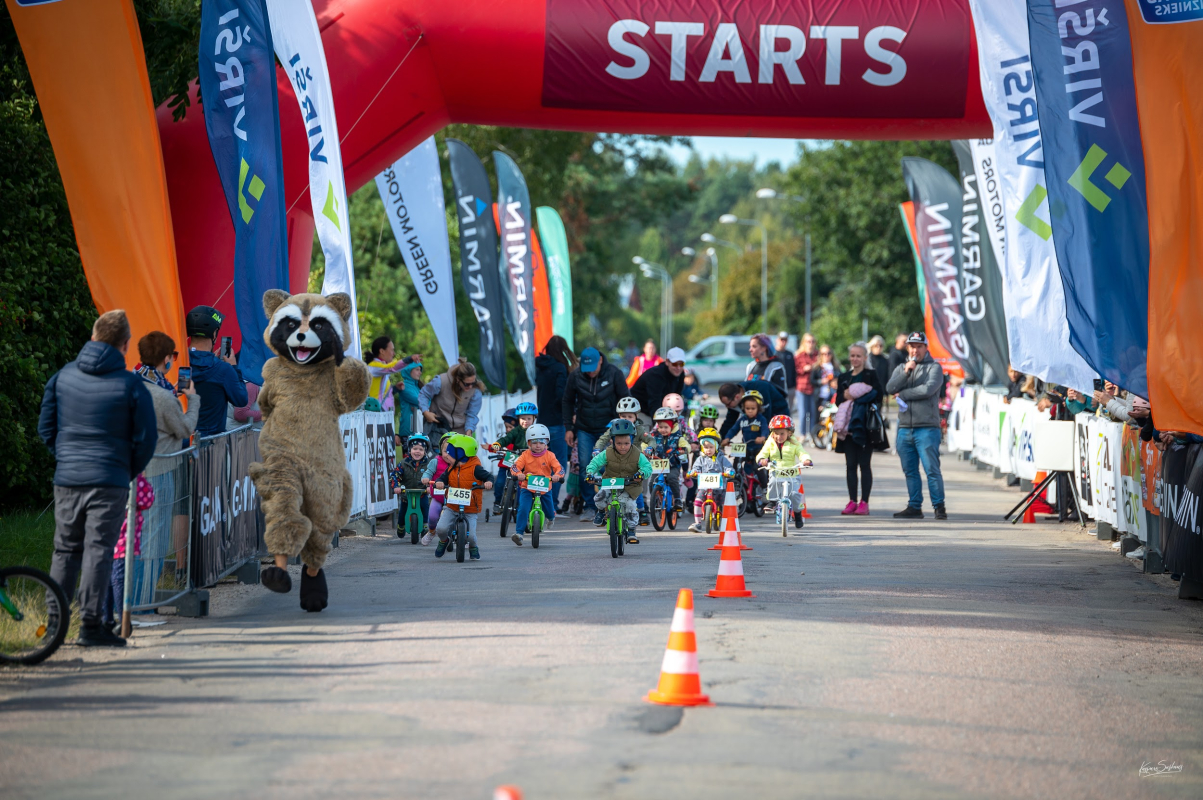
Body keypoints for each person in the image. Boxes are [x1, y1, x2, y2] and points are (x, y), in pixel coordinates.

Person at [38, 309, 158, 647]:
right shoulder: (131, 384)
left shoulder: (62, 377)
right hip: (110, 478)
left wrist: (66, 458)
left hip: (68, 478)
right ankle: (90, 626)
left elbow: (46, 428)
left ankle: (54, 624)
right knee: (97, 551)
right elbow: (146, 438)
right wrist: (126, 469)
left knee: (64, 550)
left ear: (93, 337)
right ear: (125, 344)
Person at [563, 346, 630, 517]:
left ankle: (614, 503)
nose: (590, 372)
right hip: (584, 428)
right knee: (586, 466)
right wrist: (569, 428)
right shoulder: (576, 376)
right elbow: (567, 401)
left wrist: (622, 428)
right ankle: (590, 507)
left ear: (600, 360)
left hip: (609, 428)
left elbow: (625, 399)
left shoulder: (614, 373)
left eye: (593, 368)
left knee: (612, 466)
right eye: (587, 369)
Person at [886, 332, 946, 520]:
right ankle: (914, 506)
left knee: (931, 469)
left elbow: (928, 389)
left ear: (925, 348)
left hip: (927, 427)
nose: (915, 350)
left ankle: (939, 506)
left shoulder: (934, 368)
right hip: (905, 427)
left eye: (919, 346)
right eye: (911, 346)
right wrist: (906, 372)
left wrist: (903, 394)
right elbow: (889, 389)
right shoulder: (902, 368)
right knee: (909, 470)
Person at [834, 342, 886, 516]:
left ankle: (864, 502)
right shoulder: (844, 377)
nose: (855, 359)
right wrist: (846, 395)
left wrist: (859, 397)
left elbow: (879, 394)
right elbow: (838, 400)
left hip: (865, 427)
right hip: (848, 427)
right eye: (852, 356)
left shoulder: (870, 375)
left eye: (858, 356)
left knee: (864, 464)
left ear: (865, 357)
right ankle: (852, 501)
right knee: (850, 465)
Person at [185, 305, 248, 437]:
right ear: (214, 333)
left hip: (181, 442)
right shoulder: (223, 369)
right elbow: (241, 399)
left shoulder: (178, 361)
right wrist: (233, 367)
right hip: (210, 446)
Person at [586, 419, 652, 544]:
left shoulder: (637, 454)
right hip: (609, 482)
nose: (623, 446)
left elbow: (647, 467)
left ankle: (632, 529)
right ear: (612, 441)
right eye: (619, 443)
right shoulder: (607, 453)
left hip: (630, 485)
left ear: (632, 440)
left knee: (631, 507)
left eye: (626, 443)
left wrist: (641, 474)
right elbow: (595, 463)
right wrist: (590, 473)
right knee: (599, 497)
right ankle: (601, 512)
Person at [431, 434, 493, 560]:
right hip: (452, 506)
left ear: (461, 454)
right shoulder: (451, 468)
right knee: (440, 529)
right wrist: (439, 482)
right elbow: (442, 478)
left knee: (470, 536)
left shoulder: (475, 468)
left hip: (470, 508)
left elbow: (488, 476)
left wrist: (488, 482)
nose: (446, 456)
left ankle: (473, 546)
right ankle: (444, 541)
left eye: (450, 453)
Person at [535, 335, 574, 508]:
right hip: (557, 422)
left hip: (542, 421)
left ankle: (540, 501)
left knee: (540, 465)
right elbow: (560, 395)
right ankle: (552, 504)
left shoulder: (540, 366)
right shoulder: (560, 368)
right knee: (557, 465)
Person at [509, 424, 564, 546]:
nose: (538, 445)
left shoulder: (550, 455)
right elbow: (515, 466)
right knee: (523, 508)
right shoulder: (525, 455)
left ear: (547, 443)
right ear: (528, 443)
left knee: (550, 511)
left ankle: (551, 517)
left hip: (545, 487)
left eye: (541, 442)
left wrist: (557, 476)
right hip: (527, 487)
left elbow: (559, 468)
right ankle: (519, 534)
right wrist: (518, 474)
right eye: (534, 442)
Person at [757, 414, 813, 513]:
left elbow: (801, 452)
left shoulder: (794, 443)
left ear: (789, 433)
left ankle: (798, 513)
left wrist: (806, 460)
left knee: (795, 495)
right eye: (776, 433)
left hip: (792, 474)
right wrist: (762, 460)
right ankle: (772, 502)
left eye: (782, 433)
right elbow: (763, 453)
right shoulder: (770, 442)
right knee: (772, 483)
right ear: (772, 433)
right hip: (776, 472)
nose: (779, 437)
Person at [490, 401, 537, 515]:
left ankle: (533, 505)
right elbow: (507, 438)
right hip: (516, 459)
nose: (525, 421)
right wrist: (498, 444)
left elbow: (543, 441)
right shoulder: (516, 431)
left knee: (529, 484)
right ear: (518, 419)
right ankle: (499, 502)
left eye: (528, 418)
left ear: (534, 419)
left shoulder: (536, 431)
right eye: (522, 418)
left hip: (530, 461)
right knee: (500, 482)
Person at [687, 428, 735, 532]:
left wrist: (729, 472)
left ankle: (727, 522)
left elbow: (728, 467)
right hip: (704, 486)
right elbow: (696, 468)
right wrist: (693, 472)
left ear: (716, 447)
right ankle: (698, 523)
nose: (708, 450)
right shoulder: (700, 459)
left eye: (711, 447)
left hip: (719, 487)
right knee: (698, 501)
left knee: (724, 503)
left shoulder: (721, 458)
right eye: (705, 447)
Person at [419, 357, 483, 436]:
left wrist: (469, 429)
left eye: (473, 383)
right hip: (437, 427)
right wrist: (426, 412)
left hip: (460, 431)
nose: (470, 387)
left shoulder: (475, 391)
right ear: (458, 379)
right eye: (467, 384)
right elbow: (424, 394)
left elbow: (472, 414)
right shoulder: (440, 382)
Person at [724, 390, 770, 497]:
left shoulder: (761, 419)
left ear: (758, 408)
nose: (750, 411)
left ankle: (764, 486)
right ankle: (736, 480)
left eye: (753, 409)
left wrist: (762, 437)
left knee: (758, 467)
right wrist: (727, 438)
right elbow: (733, 429)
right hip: (745, 447)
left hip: (758, 449)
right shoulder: (742, 419)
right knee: (737, 461)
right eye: (747, 408)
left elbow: (765, 430)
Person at [648, 406, 689, 514]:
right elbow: (645, 443)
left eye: (666, 427)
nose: (663, 430)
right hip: (658, 464)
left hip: (673, 464)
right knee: (652, 482)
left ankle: (678, 500)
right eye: (660, 427)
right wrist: (644, 449)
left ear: (672, 426)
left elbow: (686, 445)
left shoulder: (678, 436)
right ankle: (655, 499)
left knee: (672, 479)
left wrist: (683, 450)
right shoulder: (654, 436)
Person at [716, 380, 789, 440]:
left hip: (777, 412)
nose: (727, 407)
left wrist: (763, 437)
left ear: (737, 397)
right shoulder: (734, 395)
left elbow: (766, 418)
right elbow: (729, 421)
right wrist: (719, 439)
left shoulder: (760, 388)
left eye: (728, 404)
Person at [391, 433, 432, 537]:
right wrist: (396, 486)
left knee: (425, 507)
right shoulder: (404, 463)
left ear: (425, 451)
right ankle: (401, 525)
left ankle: (425, 525)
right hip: (406, 494)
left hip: (421, 493)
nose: (417, 451)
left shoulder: (428, 464)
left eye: (421, 449)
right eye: (415, 449)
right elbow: (395, 475)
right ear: (409, 450)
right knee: (402, 512)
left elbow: (434, 477)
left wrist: (429, 487)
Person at [366, 336, 420, 413]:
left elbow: (381, 394)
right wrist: (410, 359)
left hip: (382, 414)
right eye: (392, 350)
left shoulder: (380, 367)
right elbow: (392, 367)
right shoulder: (375, 366)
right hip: (377, 414)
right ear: (382, 351)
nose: (394, 353)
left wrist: (395, 389)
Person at [631, 346, 687, 419]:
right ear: (667, 362)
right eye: (675, 364)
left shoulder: (680, 373)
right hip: (640, 408)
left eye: (681, 364)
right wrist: (660, 425)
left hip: (658, 406)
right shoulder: (656, 376)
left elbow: (676, 397)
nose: (678, 368)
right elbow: (654, 402)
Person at [793, 333, 820, 438]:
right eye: (808, 341)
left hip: (814, 387)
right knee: (803, 413)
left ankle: (812, 435)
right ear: (804, 343)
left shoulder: (818, 355)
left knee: (813, 413)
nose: (811, 344)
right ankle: (803, 434)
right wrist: (804, 369)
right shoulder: (799, 355)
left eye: (813, 341)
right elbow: (794, 370)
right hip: (802, 387)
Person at [394, 360, 423, 440]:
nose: (420, 372)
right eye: (417, 370)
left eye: (420, 370)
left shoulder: (418, 387)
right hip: (408, 432)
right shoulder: (404, 386)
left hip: (419, 429)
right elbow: (420, 401)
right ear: (408, 370)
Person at [809, 344, 841, 418]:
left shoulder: (836, 367)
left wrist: (836, 382)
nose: (826, 356)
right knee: (818, 419)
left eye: (828, 353)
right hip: (820, 396)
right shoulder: (816, 367)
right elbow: (812, 381)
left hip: (832, 396)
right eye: (823, 354)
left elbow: (841, 379)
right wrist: (821, 381)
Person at [774, 332, 797, 407]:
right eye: (781, 340)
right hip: (777, 387)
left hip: (790, 386)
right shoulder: (773, 354)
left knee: (789, 408)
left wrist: (794, 385)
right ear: (777, 340)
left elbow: (793, 370)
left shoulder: (789, 354)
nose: (783, 342)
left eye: (785, 340)